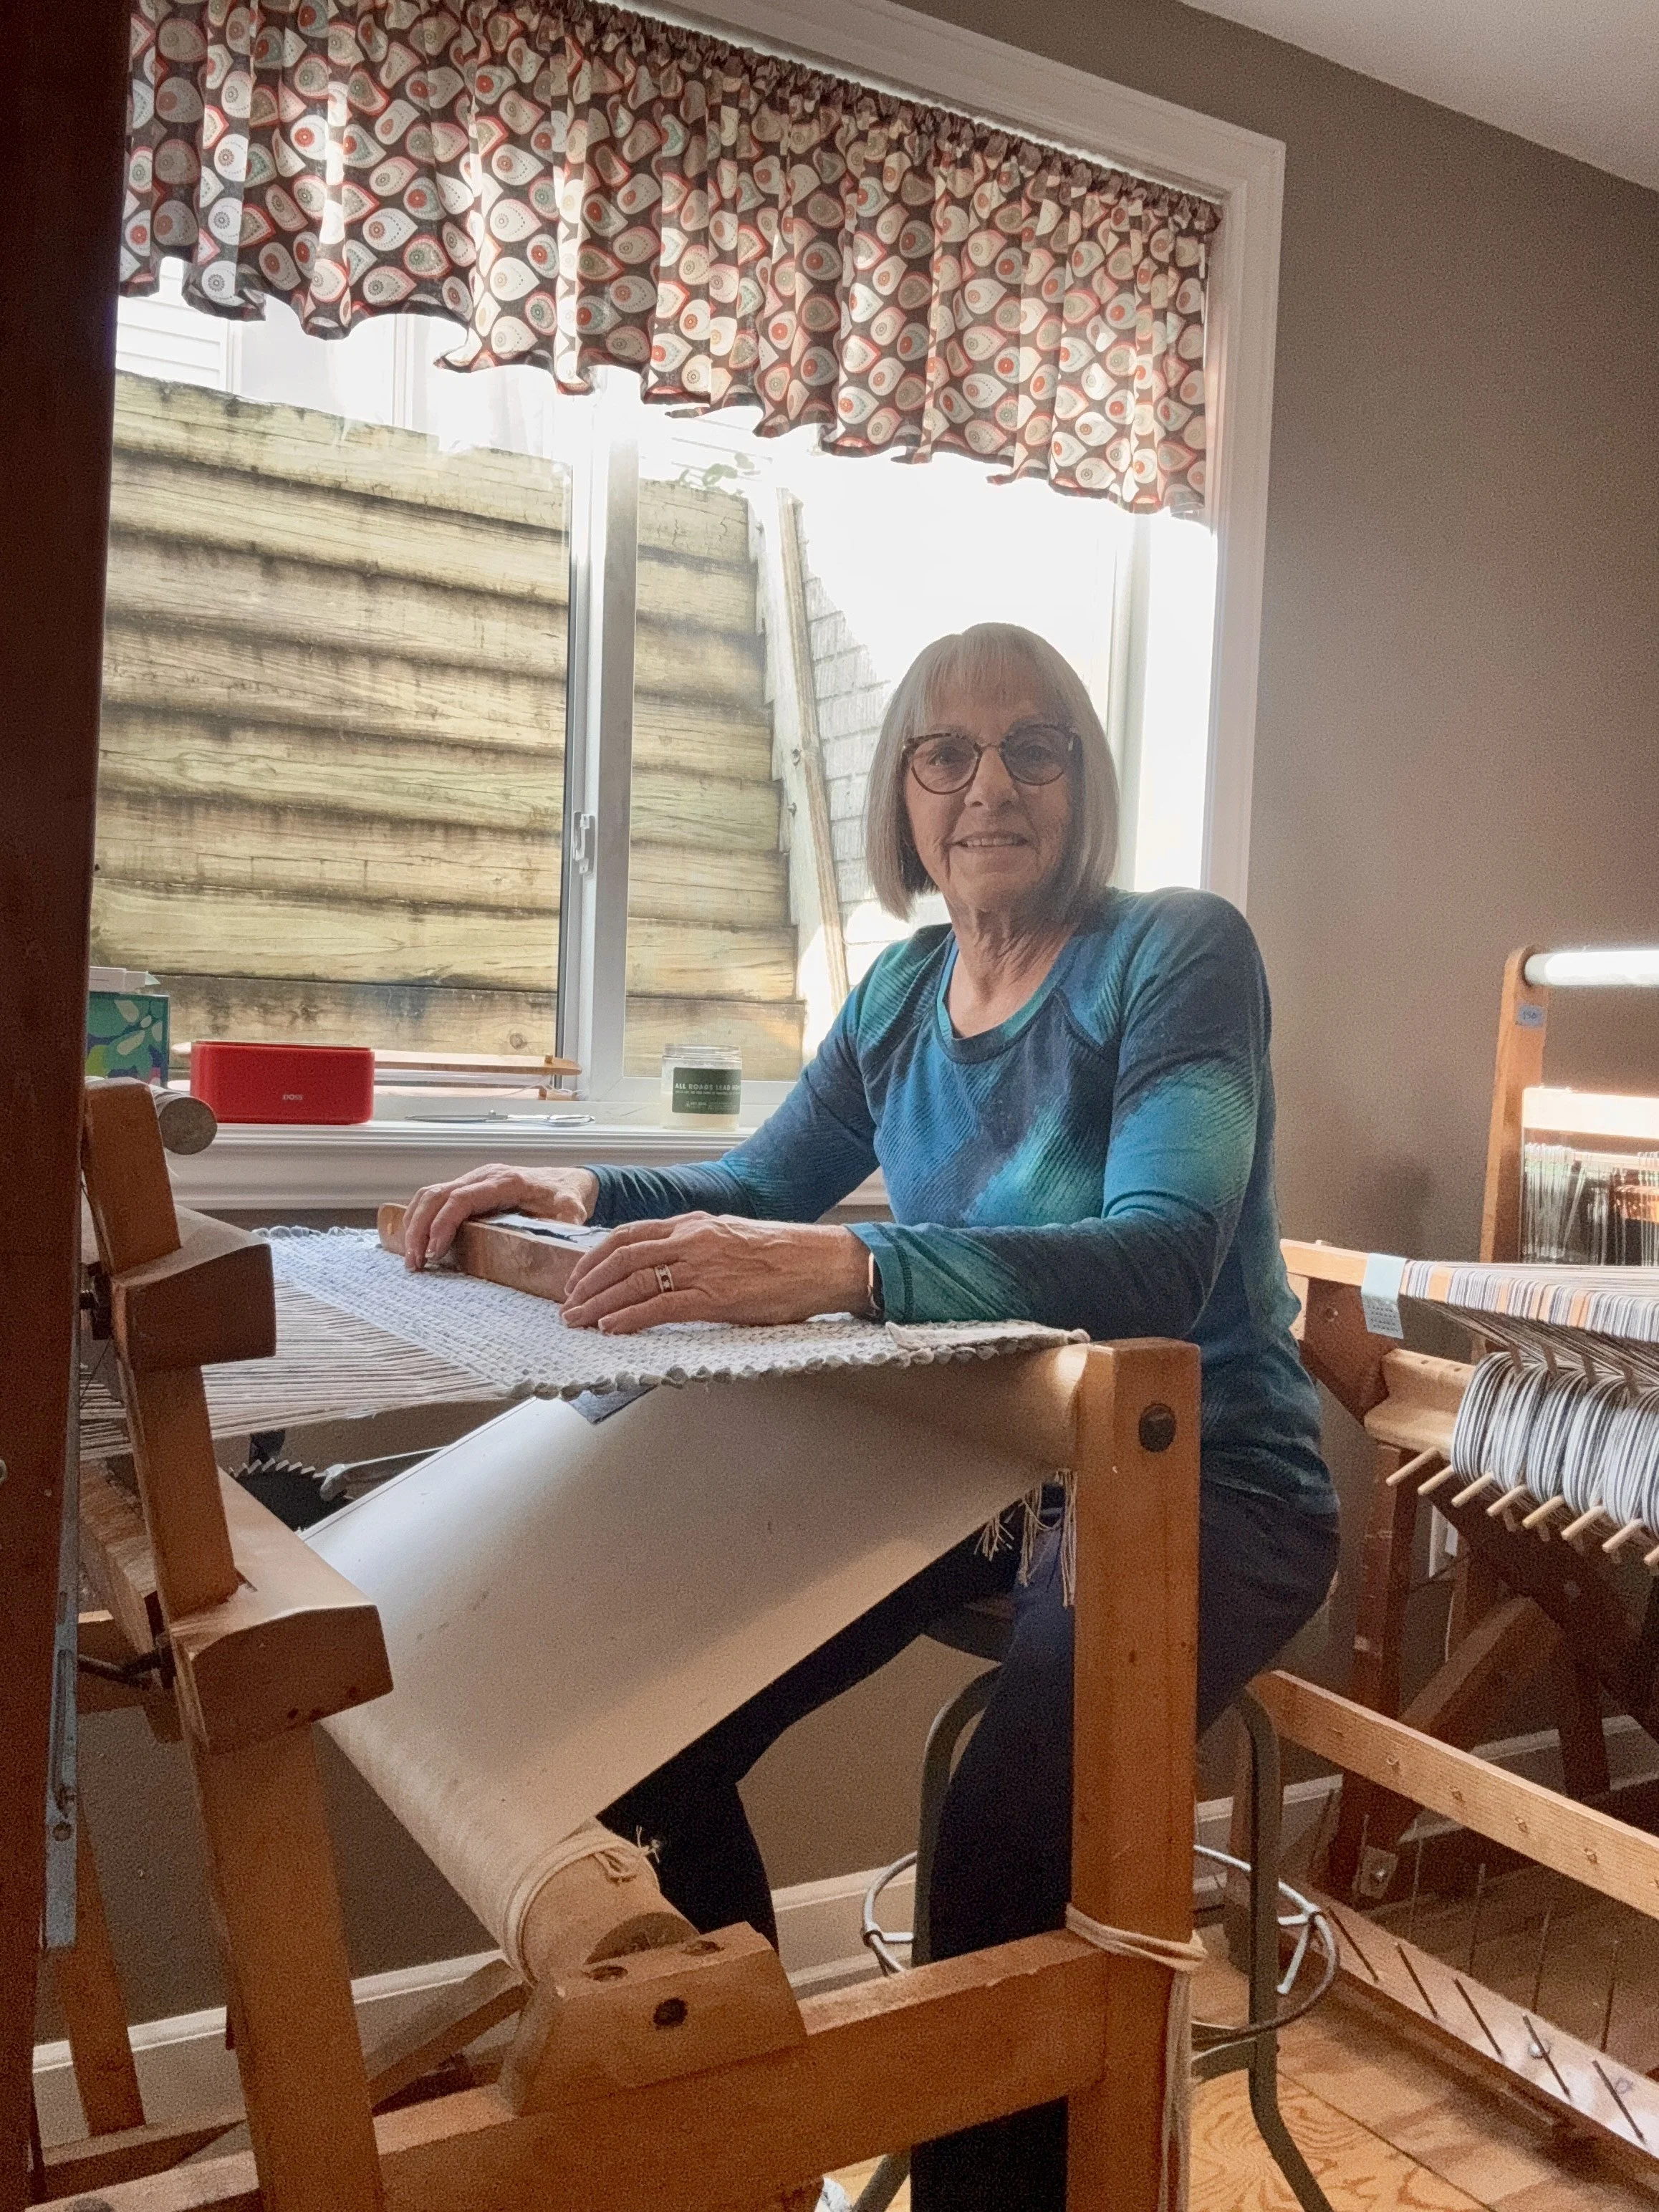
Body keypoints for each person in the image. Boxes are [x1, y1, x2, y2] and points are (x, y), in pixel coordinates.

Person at [400, 622, 1338, 2211]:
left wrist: (847, 1263)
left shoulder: (1179, 951)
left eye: (1033, 747)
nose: (989, 784)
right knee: (655, 1737)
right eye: (945, 752)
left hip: (1202, 1481)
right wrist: (574, 1187)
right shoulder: (906, 989)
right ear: (902, 793)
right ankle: (764, 2153)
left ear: (1084, 781)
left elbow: (1162, 1254)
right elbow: (757, 1188)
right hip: (978, 1464)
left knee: (1004, 1839)